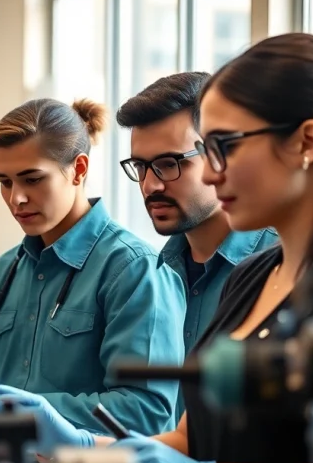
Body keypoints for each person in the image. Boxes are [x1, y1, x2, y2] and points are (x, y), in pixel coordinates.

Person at [0, 34, 313, 463]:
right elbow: (189, 439)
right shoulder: (256, 277)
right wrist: (87, 445)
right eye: (143, 167)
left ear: (306, 141)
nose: (214, 174)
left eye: (225, 147)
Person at [0, 98, 186, 435]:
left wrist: (19, 411)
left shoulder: (135, 270)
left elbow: (143, 410)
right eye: (6, 182)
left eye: (32, 179)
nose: (16, 198)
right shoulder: (5, 271)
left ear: (79, 169)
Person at [118, 72, 277, 355]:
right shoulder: (149, 273)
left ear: (219, 156)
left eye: (168, 163)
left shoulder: (282, 267)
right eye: (140, 166)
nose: (149, 185)